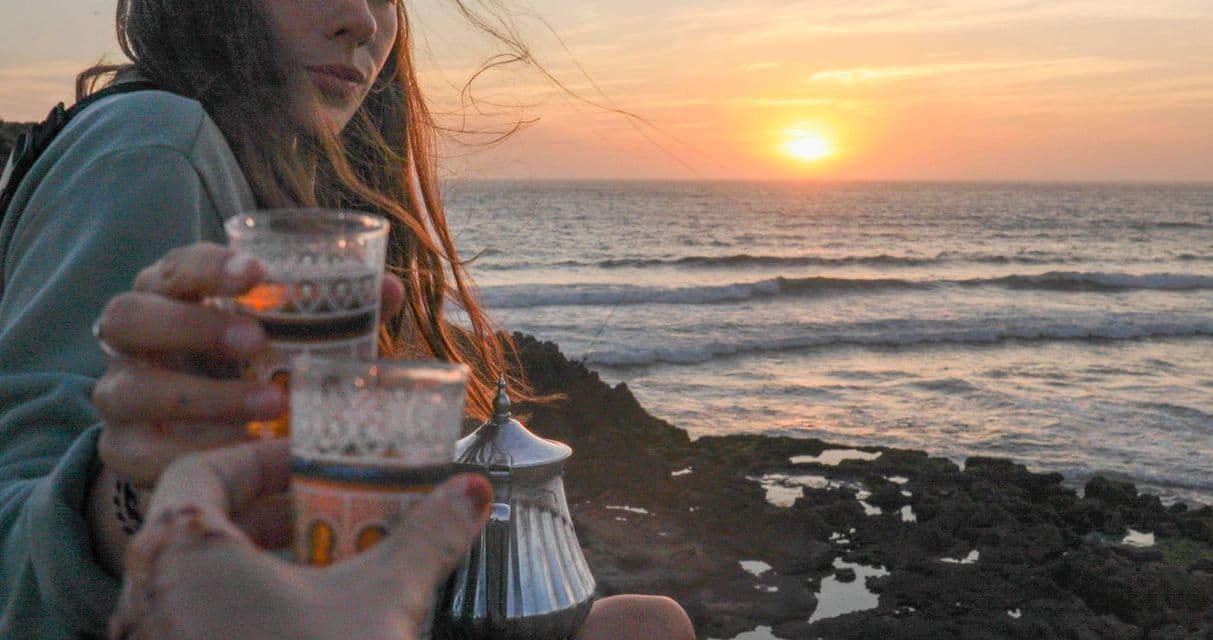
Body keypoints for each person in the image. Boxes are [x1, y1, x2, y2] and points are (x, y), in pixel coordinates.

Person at [0, 1, 694, 638]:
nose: (364, 20)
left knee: (644, 624)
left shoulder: (262, 167)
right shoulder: (155, 141)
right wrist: (128, 502)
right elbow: (15, 543)